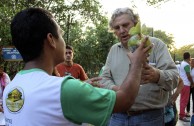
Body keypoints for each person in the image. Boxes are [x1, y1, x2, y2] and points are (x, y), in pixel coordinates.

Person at [3, 7, 152, 126]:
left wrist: (82, 86)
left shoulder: (11, 88)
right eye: (60, 35)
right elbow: (125, 99)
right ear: (51, 40)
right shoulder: (64, 88)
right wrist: (137, 62)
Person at [100, 7, 179, 126]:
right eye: (117, 27)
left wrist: (157, 75)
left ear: (136, 24)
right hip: (117, 117)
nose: (122, 30)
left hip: (150, 118)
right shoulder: (113, 50)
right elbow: (104, 79)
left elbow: (175, 78)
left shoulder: (156, 45)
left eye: (125, 25)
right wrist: (118, 90)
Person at [179, 52, 193, 122]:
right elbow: (189, 76)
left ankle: (182, 113)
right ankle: (182, 115)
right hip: (186, 84)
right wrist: (192, 82)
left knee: (182, 99)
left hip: (182, 84)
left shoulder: (182, 63)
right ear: (189, 57)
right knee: (184, 100)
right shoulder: (186, 65)